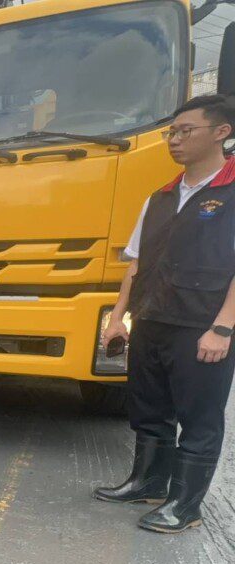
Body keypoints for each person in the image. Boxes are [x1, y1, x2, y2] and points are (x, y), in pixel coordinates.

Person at [95, 94, 235, 533]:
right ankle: (148, 483)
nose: (174, 139)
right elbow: (135, 263)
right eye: (170, 132)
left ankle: (185, 506)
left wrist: (223, 327)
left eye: (184, 131)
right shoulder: (160, 196)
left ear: (221, 132)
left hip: (201, 326)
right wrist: (118, 317)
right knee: (149, 408)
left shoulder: (230, 192)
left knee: (199, 417)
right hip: (152, 320)